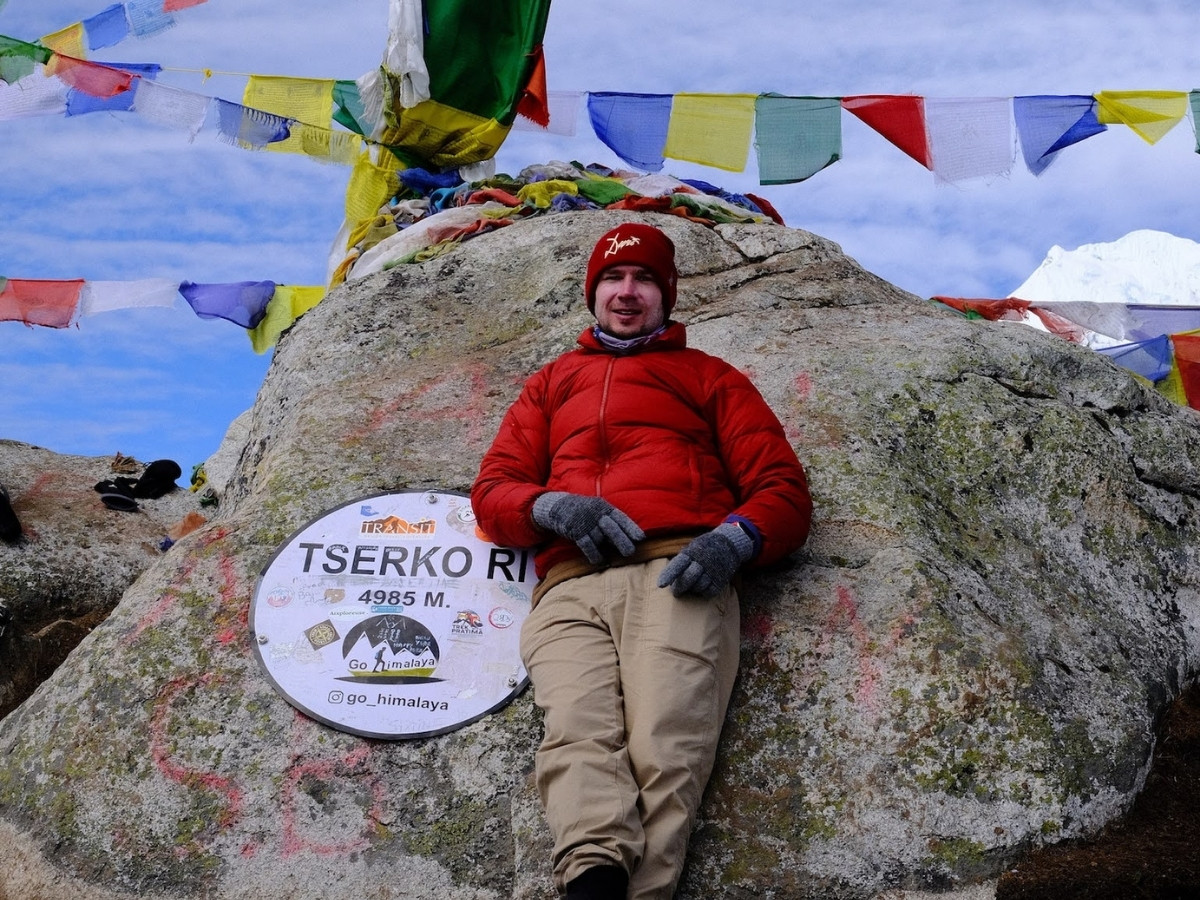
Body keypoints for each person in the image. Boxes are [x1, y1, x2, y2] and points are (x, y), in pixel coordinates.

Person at [471, 222, 812, 899]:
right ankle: (591, 879)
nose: (627, 293)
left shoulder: (710, 377)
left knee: (666, 749)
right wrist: (551, 508)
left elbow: (783, 491)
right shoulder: (550, 384)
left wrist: (733, 541)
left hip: (677, 575)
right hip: (568, 586)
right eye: (613, 279)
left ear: (667, 295)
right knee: (575, 734)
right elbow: (493, 492)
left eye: (645, 280)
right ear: (592, 293)